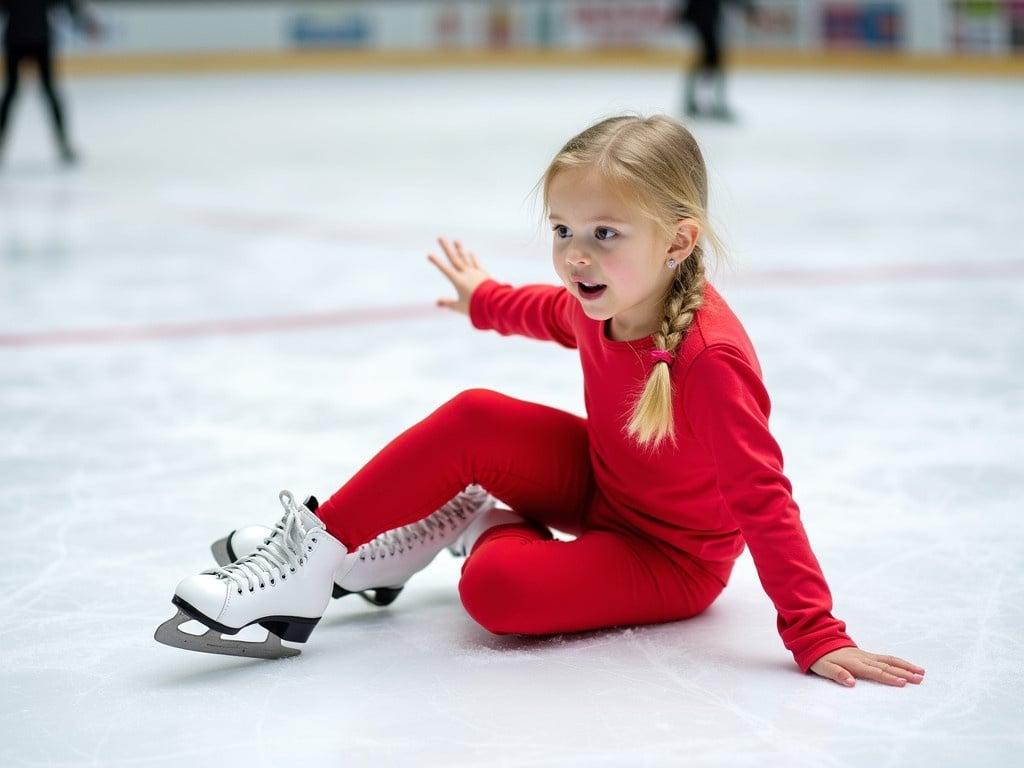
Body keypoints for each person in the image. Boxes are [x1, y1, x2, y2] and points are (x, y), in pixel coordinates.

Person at [155, 114, 926, 688]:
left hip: (669, 558)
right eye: (562, 229)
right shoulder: (609, 301)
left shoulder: (709, 360)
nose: (575, 254)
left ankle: (476, 524)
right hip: (600, 480)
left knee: (496, 593)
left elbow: (764, 499)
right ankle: (314, 563)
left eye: (604, 233)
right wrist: (483, 299)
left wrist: (815, 633)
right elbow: (549, 312)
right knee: (475, 416)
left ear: (678, 242)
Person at [0, 0, 100, 164]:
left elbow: (67, 5)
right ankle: (64, 146)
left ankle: (63, 145)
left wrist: (85, 24)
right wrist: (85, 24)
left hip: (29, 40)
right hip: (26, 40)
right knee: (18, 93)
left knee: (36, 92)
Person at [675, 0, 760, 121]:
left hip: (703, 20)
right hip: (702, 20)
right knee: (711, 60)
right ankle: (705, 102)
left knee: (709, 60)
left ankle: (694, 101)